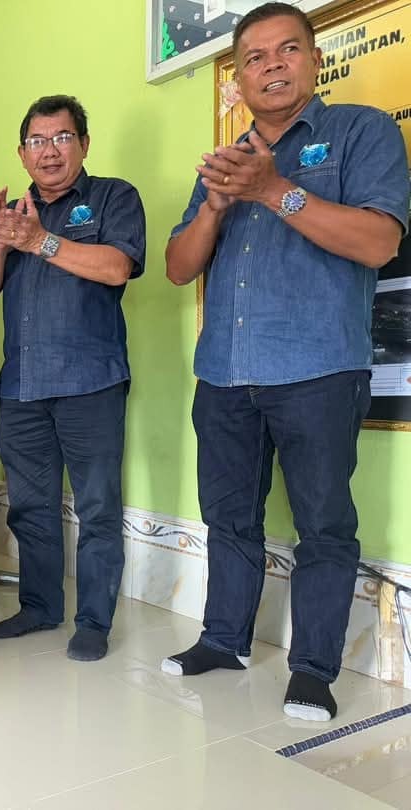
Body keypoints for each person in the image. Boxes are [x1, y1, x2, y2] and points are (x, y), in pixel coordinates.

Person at [162, 3, 409, 721]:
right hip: (224, 370)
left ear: (315, 60)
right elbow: (179, 268)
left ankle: (314, 669)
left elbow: (380, 242)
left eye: (287, 50)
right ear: (237, 81)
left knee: (324, 523)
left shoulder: (361, 131)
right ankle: (223, 639)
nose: (271, 65)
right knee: (228, 515)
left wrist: (273, 190)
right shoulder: (225, 159)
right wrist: (215, 205)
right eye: (254, 57)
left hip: (319, 368)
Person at [0, 96, 146, 662]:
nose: (50, 151)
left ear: (84, 145)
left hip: (91, 382)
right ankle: (40, 606)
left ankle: (93, 621)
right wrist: (3, 243)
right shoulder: (13, 213)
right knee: (31, 507)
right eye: (38, 141)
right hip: (22, 386)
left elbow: (117, 267)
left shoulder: (113, 197)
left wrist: (39, 241)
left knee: (97, 507)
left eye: (62, 138)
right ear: (22, 153)